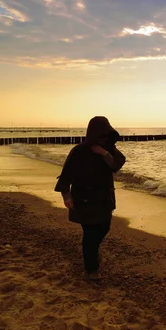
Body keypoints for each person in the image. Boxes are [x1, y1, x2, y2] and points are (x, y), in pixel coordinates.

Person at [54, 116, 126, 280]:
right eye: (101, 136)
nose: (104, 139)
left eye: (106, 135)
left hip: (104, 199)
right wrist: (66, 196)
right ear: (93, 134)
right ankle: (92, 270)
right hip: (84, 198)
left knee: (104, 228)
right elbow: (66, 175)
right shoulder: (79, 151)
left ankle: (92, 256)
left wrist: (104, 153)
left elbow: (117, 165)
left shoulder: (109, 149)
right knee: (89, 235)